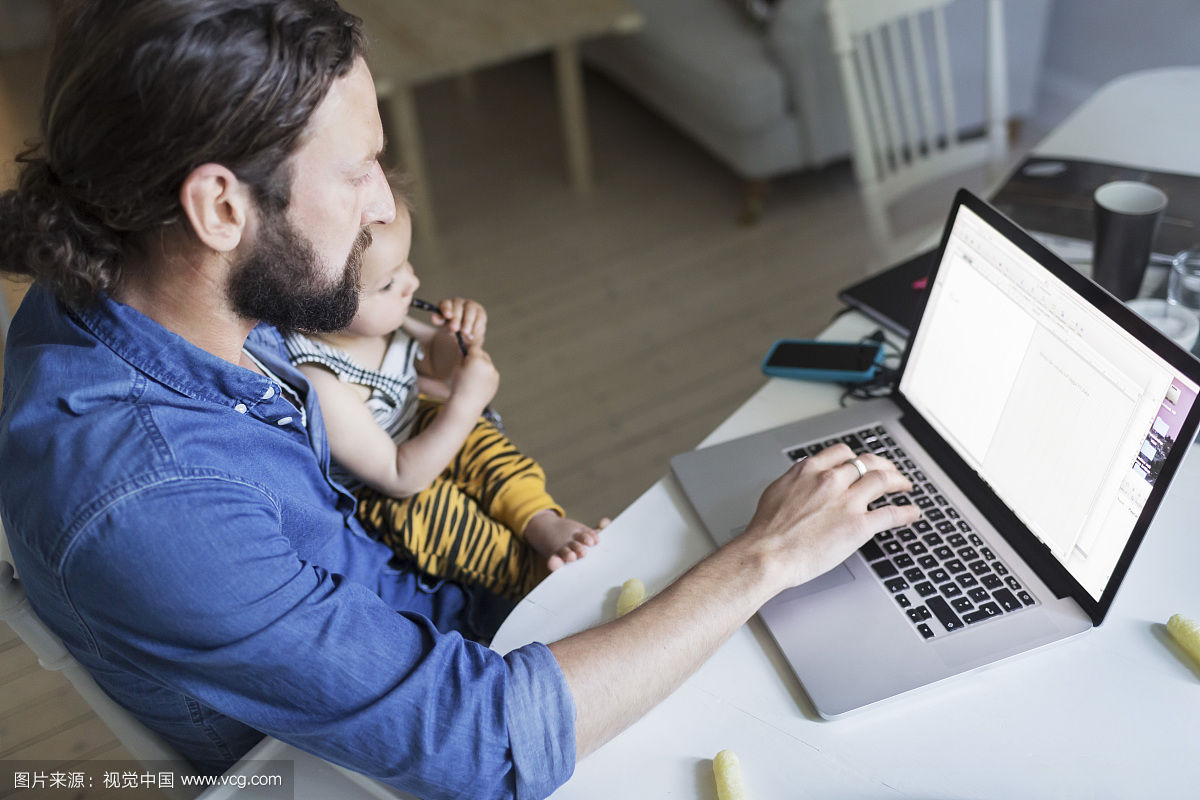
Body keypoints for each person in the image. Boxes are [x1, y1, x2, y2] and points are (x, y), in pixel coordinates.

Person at [0, 2, 919, 798]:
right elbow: (485, 746)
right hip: (356, 766)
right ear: (221, 209)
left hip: (437, 622)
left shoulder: (138, 273)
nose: (379, 207)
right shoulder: (151, 501)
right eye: (359, 169)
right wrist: (761, 560)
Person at [284, 202, 602, 601]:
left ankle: (539, 520)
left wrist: (459, 338)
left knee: (483, 450)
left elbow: (434, 363)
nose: (411, 283)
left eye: (406, 265)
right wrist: (466, 405)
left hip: (419, 423)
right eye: (388, 283)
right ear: (314, 315)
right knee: (437, 516)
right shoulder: (320, 380)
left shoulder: (377, 320)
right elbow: (399, 477)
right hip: (389, 485)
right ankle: (528, 574)